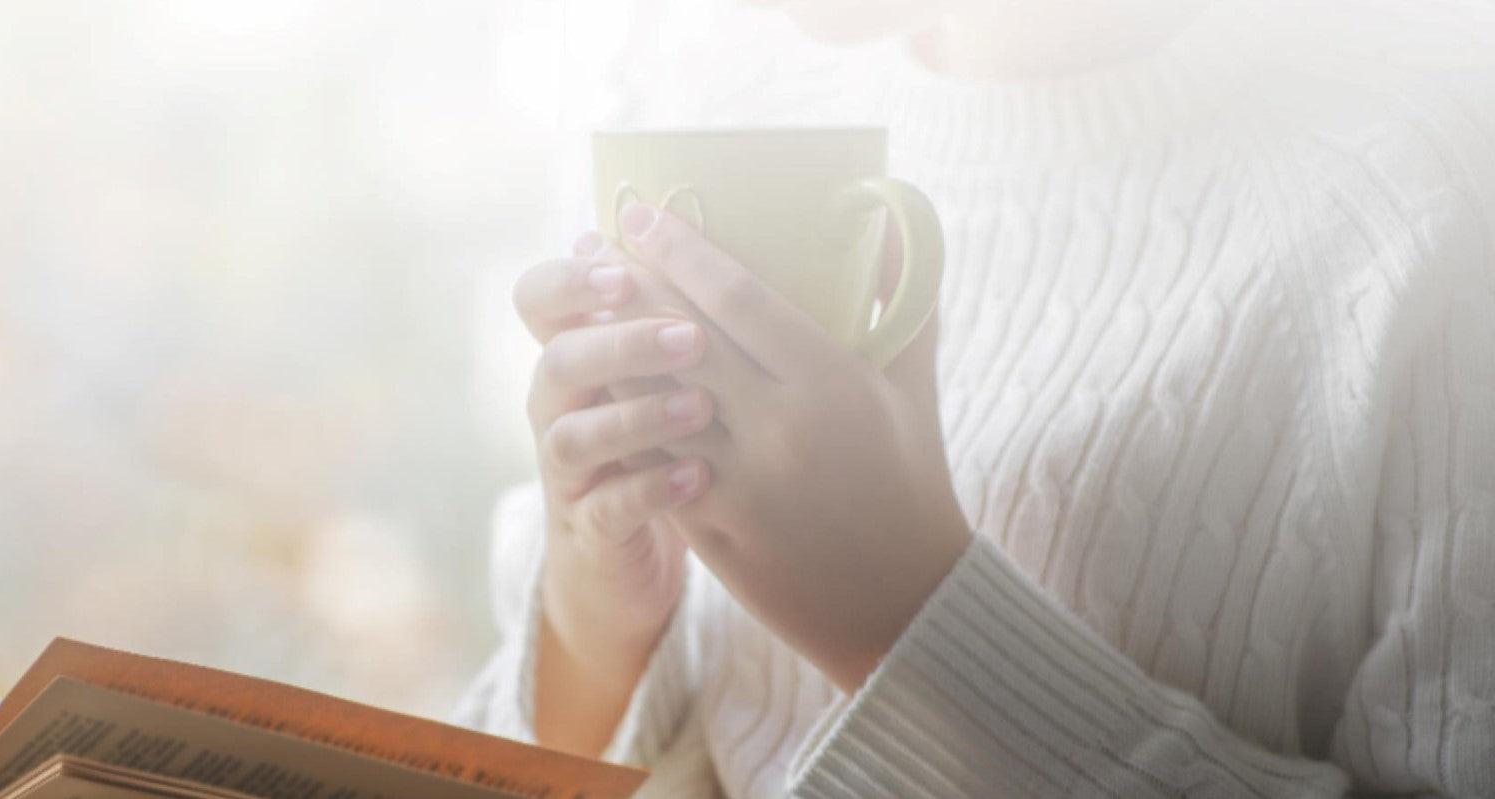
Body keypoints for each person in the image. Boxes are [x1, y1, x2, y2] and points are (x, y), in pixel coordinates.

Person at [455, 0, 1495, 795]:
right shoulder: (683, 87)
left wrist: (909, 615)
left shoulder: (1437, 209)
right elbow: (534, 747)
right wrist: (594, 608)